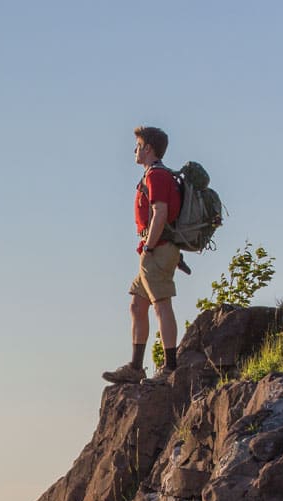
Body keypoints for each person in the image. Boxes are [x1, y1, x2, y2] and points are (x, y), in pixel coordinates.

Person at [103, 125, 182, 384]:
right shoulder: (154, 175)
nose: (135, 150)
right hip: (155, 250)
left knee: (161, 305)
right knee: (138, 304)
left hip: (156, 250)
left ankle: (171, 368)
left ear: (148, 148)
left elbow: (160, 211)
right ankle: (136, 367)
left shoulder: (156, 176)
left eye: (138, 145)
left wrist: (149, 246)